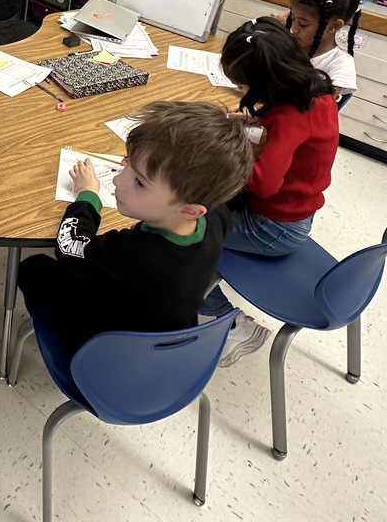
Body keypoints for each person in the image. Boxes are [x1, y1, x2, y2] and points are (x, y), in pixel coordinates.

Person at [17, 101, 254, 368]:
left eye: (140, 182)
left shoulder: (134, 254)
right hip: (165, 341)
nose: (118, 180)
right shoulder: (215, 216)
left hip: (108, 356)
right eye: (127, 162)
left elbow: (68, 244)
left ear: (189, 211)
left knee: (33, 268)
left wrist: (87, 195)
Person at [200, 17, 340, 364]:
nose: (244, 92)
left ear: (267, 82)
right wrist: (256, 124)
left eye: (245, 85)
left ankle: (231, 324)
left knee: (181, 237)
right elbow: (288, 145)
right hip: (293, 213)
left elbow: (264, 184)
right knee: (201, 206)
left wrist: (235, 148)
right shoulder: (316, 94)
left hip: (273, 228)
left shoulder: (291, 116)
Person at [284, 0, 361, 99]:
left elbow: (318, 108)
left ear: (334, 26)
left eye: (303, 24)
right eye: (292, 18)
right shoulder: (287, 45)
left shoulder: (340, 64)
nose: (294, 29)